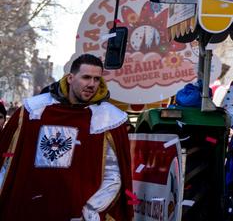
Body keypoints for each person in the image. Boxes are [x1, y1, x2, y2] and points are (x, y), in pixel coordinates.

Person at [0, 53, 133, 221]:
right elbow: (7, 163)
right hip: (29, 209)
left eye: (97, 79)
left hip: (77, 214)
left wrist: (90, 211)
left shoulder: (108, 119)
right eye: (86, 77)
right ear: (70, 78)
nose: (92, 84)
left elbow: (113, 175)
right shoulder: (33, 110)